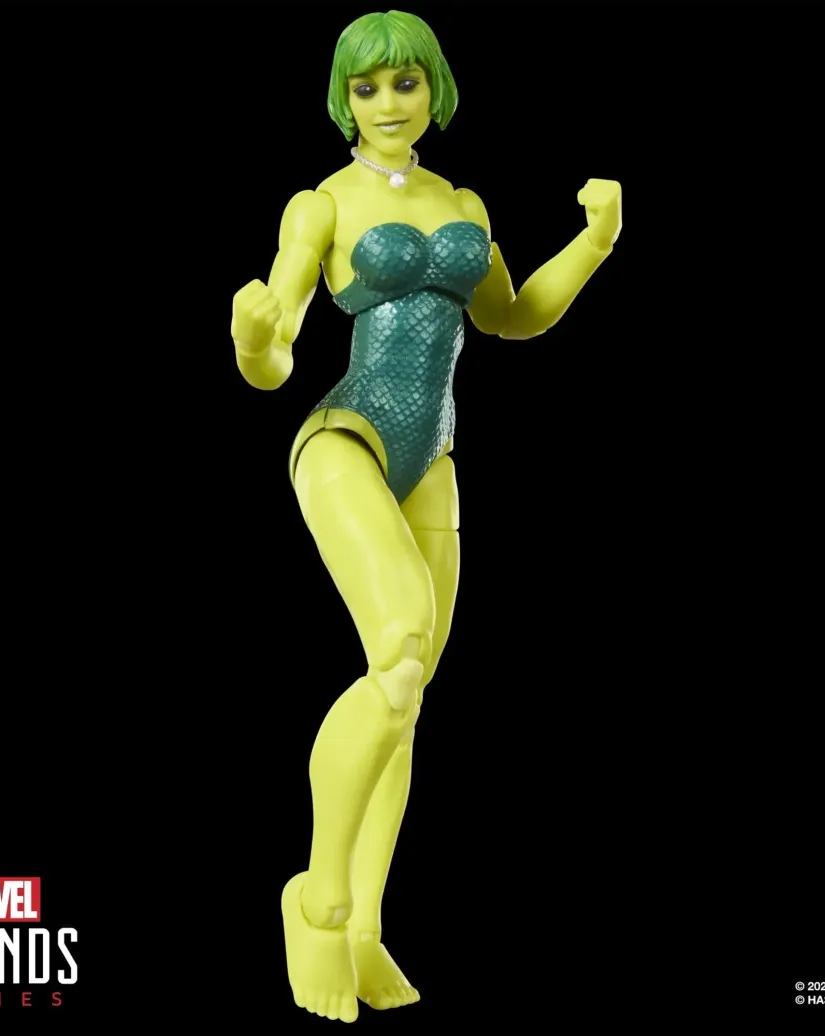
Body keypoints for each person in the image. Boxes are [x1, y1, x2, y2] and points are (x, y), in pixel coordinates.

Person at [230, 9, 622, 1023]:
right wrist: (253, 338)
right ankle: (315, 902)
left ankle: (365, 930)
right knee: (402, 642)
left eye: (405, 83)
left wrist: (594, 243)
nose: (387, 103)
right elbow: (276, 353)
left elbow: (510, 316)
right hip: (347, 436)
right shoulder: (321, 204)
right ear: (343, 100)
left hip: (433, 461)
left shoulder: (464, 202)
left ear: (434, 89)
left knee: (402, 700)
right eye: (366, 88)